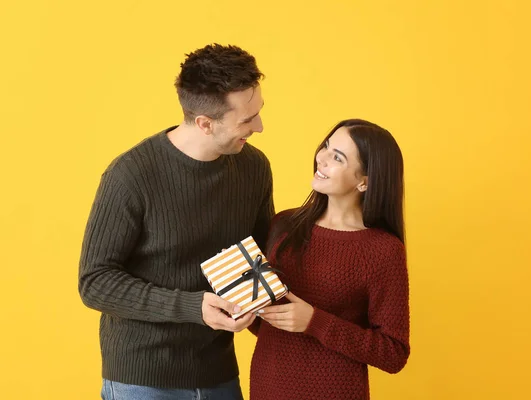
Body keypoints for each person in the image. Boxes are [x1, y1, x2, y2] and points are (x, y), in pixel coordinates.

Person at [79, 44, 273, 400]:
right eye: (247, 119)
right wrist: (192, 307)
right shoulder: (130, 175)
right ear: (204, 123)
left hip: (219, 372)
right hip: (141, 377)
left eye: (258, 112)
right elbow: (95, 282)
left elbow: (263, 256)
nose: (259, 126)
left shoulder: (254, 168)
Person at [248, 119, 410, 400]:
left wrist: (315, 321)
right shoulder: (284, 225)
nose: (320, 158)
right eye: (326, 147)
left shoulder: (383, 250)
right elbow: (265, 324)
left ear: (364, 181)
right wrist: (246, 306)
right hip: (267, 386)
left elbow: (393, 353)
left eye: (337, 157)